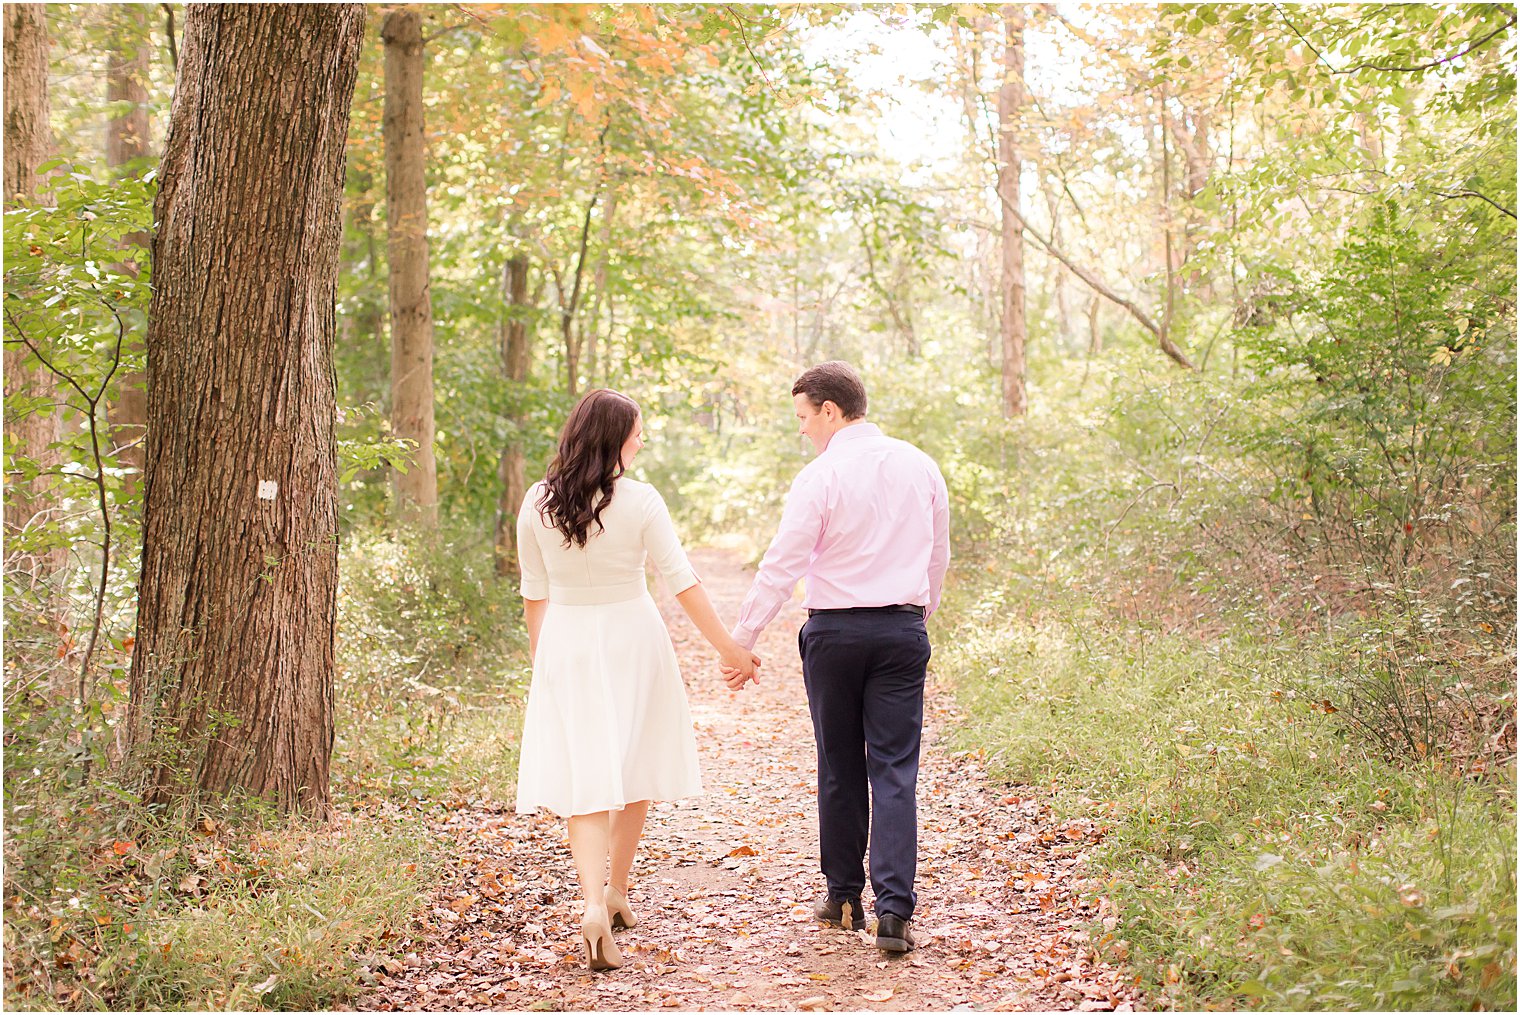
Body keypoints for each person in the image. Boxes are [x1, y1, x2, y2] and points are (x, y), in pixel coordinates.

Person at [514, 389, 760, 971]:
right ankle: (615, 892)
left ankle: (598, 902)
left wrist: (541, 662)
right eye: (637, 431)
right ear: (614, 438)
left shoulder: (537, 501)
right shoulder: (642, 501)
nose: (642, 440)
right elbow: (682, 581)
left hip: (567, 640)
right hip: (632, 635)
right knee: (633, 761)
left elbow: (533, 593)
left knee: (586, 774)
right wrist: (732, 650)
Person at [724, 361, 949, 955]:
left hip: (836, 636)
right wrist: (915, 619)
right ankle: (895, 912)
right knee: (896, 770)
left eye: (803, 416)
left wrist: (743, 637)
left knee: (840, 765)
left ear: (830, 410)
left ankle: (845, 897)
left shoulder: (820, 477)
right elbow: (937, 557)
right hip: (902, 631)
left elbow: (783, 563)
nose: (801, 429)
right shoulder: (921, 465)